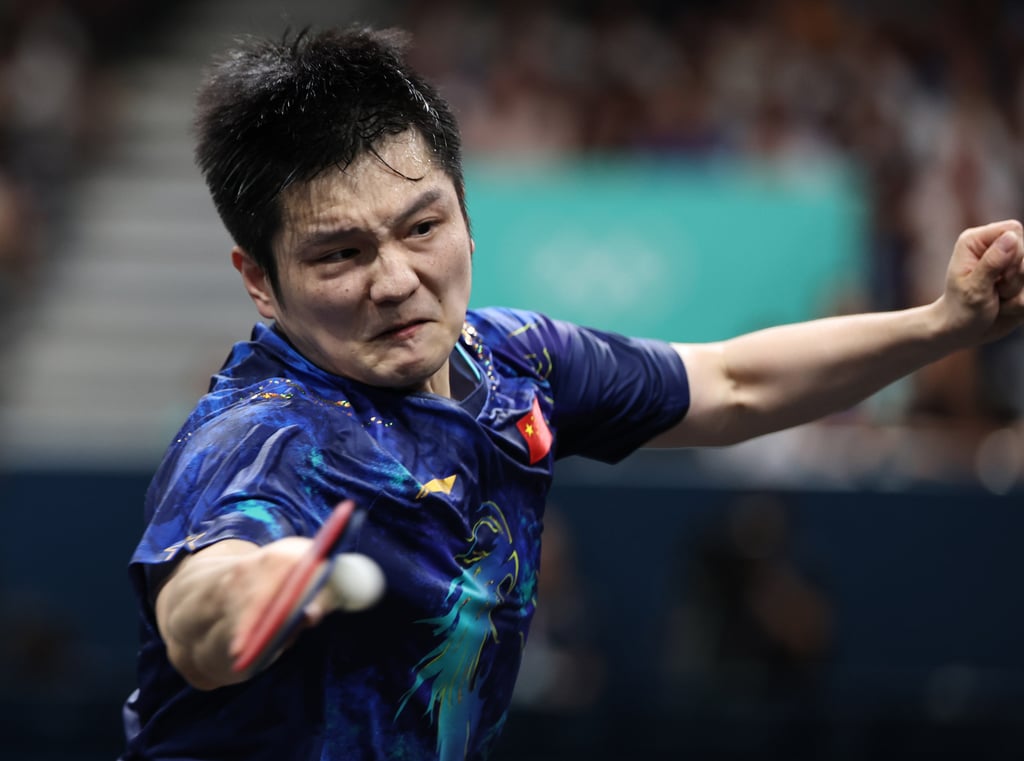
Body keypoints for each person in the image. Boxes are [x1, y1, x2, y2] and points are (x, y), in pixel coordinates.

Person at [119, 25, 1024, 761]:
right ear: (260, 280)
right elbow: (201, 611)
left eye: (421, 226)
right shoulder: (264, 436)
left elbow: (734, 382)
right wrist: (247, 594)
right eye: (339, 253)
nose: (394, 279)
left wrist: (943, 323)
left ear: (466, 216)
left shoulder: (514, 363)